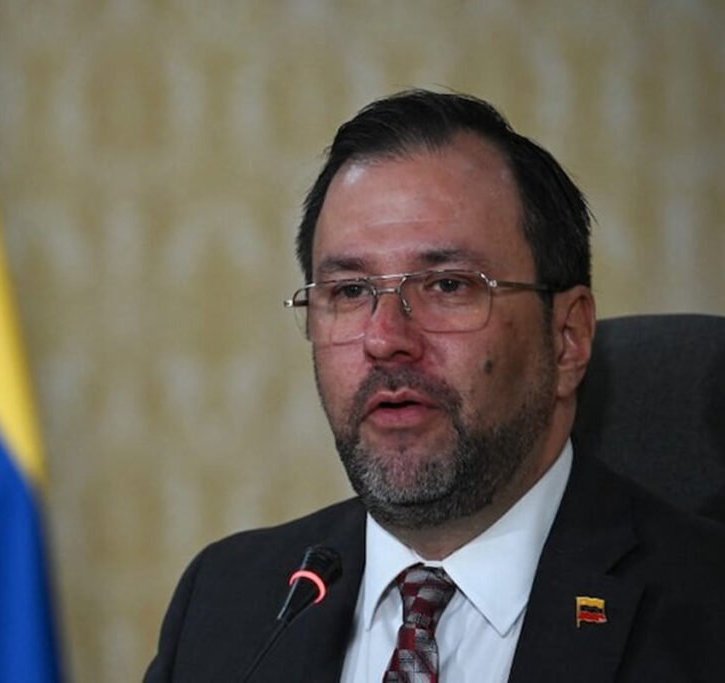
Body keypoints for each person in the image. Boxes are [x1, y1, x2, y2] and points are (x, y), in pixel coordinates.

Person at [144, 90, 725, 682]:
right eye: (349, 292)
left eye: (448, 286)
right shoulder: (227, 603)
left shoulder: (705, 608)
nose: (384, 338)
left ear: (567, 337)